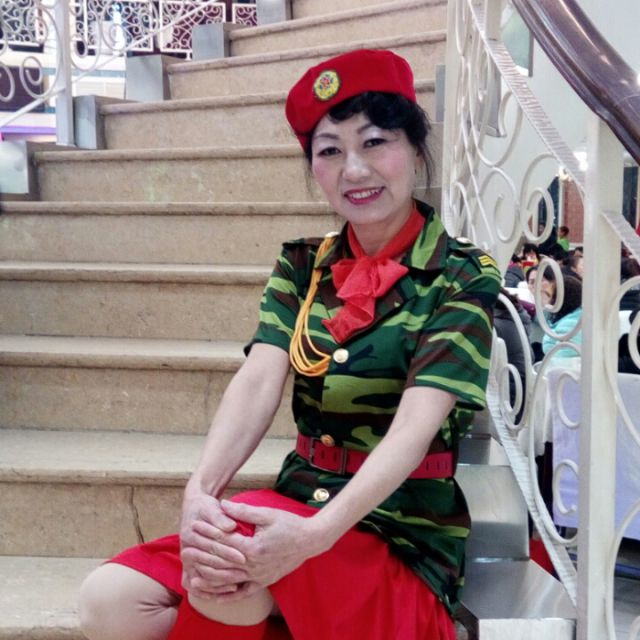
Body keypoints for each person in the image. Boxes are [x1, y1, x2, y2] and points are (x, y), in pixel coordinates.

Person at [78, 49, 501, 640]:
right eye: (330, 151)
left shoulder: (462, 274)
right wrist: (200, 492)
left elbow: (415, 428)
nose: (355, 169)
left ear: (414, 148)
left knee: (230, 574)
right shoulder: (302, 265)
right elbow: (258, 379)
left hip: (398, 532)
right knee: (111, 601)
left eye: (375, 142)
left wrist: (314, 536)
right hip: (294, 507)